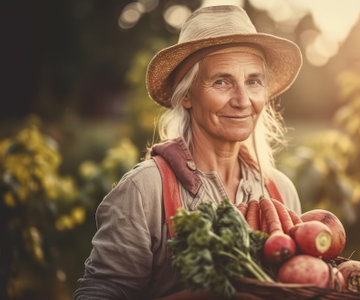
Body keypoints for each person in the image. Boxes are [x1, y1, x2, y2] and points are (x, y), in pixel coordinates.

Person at [74, 5, 302, 300]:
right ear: (187, 96)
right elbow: (99, 293)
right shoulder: (145, 191)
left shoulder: (281, 190)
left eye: (253, 81)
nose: (243, 100)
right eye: (221, 81)